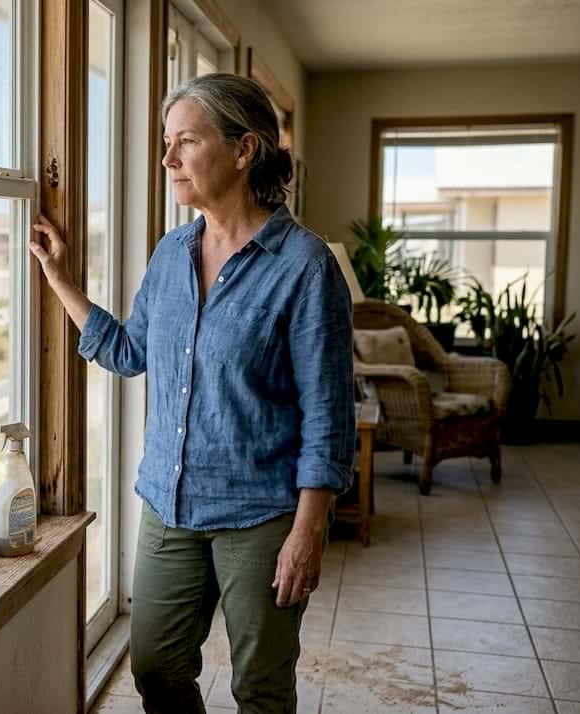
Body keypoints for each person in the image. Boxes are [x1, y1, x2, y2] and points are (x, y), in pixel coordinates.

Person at [28, 73, 354, 714]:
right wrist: (61, 278)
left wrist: (308, 529)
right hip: (168, 507)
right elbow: (128, 353)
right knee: (155, 669)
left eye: (185, 141)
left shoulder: (305, 266)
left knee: (260, 687)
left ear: (244, 149)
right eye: (165, 142)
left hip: (262, 515)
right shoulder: (171, 252)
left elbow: (328, 412)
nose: (167, 159)